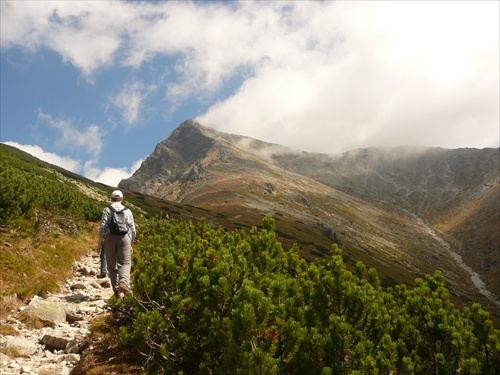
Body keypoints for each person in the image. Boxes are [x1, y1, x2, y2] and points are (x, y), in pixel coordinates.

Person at [96, 190, 136, 299]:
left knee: (111, 265)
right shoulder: (127, 211)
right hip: (124, 238)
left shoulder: (107, 210)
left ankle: (116, 291)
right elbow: (132, 228)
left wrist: (99, 244)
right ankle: (124, 282)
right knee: (125, 262)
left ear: (111, 198)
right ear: (122, 199)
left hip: (110, 238)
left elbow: (102, 228)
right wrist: (130, 242)